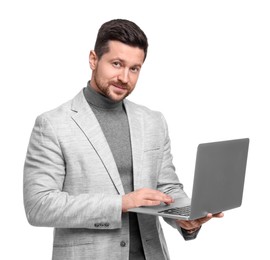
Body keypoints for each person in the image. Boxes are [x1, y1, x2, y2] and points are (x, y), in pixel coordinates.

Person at [23, 19, 223, 260]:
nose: (125, 78)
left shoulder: (152, 121)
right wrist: (121, 204)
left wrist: (186, 218)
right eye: (116, 64)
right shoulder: (53, 124)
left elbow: (167, 188)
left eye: (134, 68)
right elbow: (39, 206)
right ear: (93, 59)